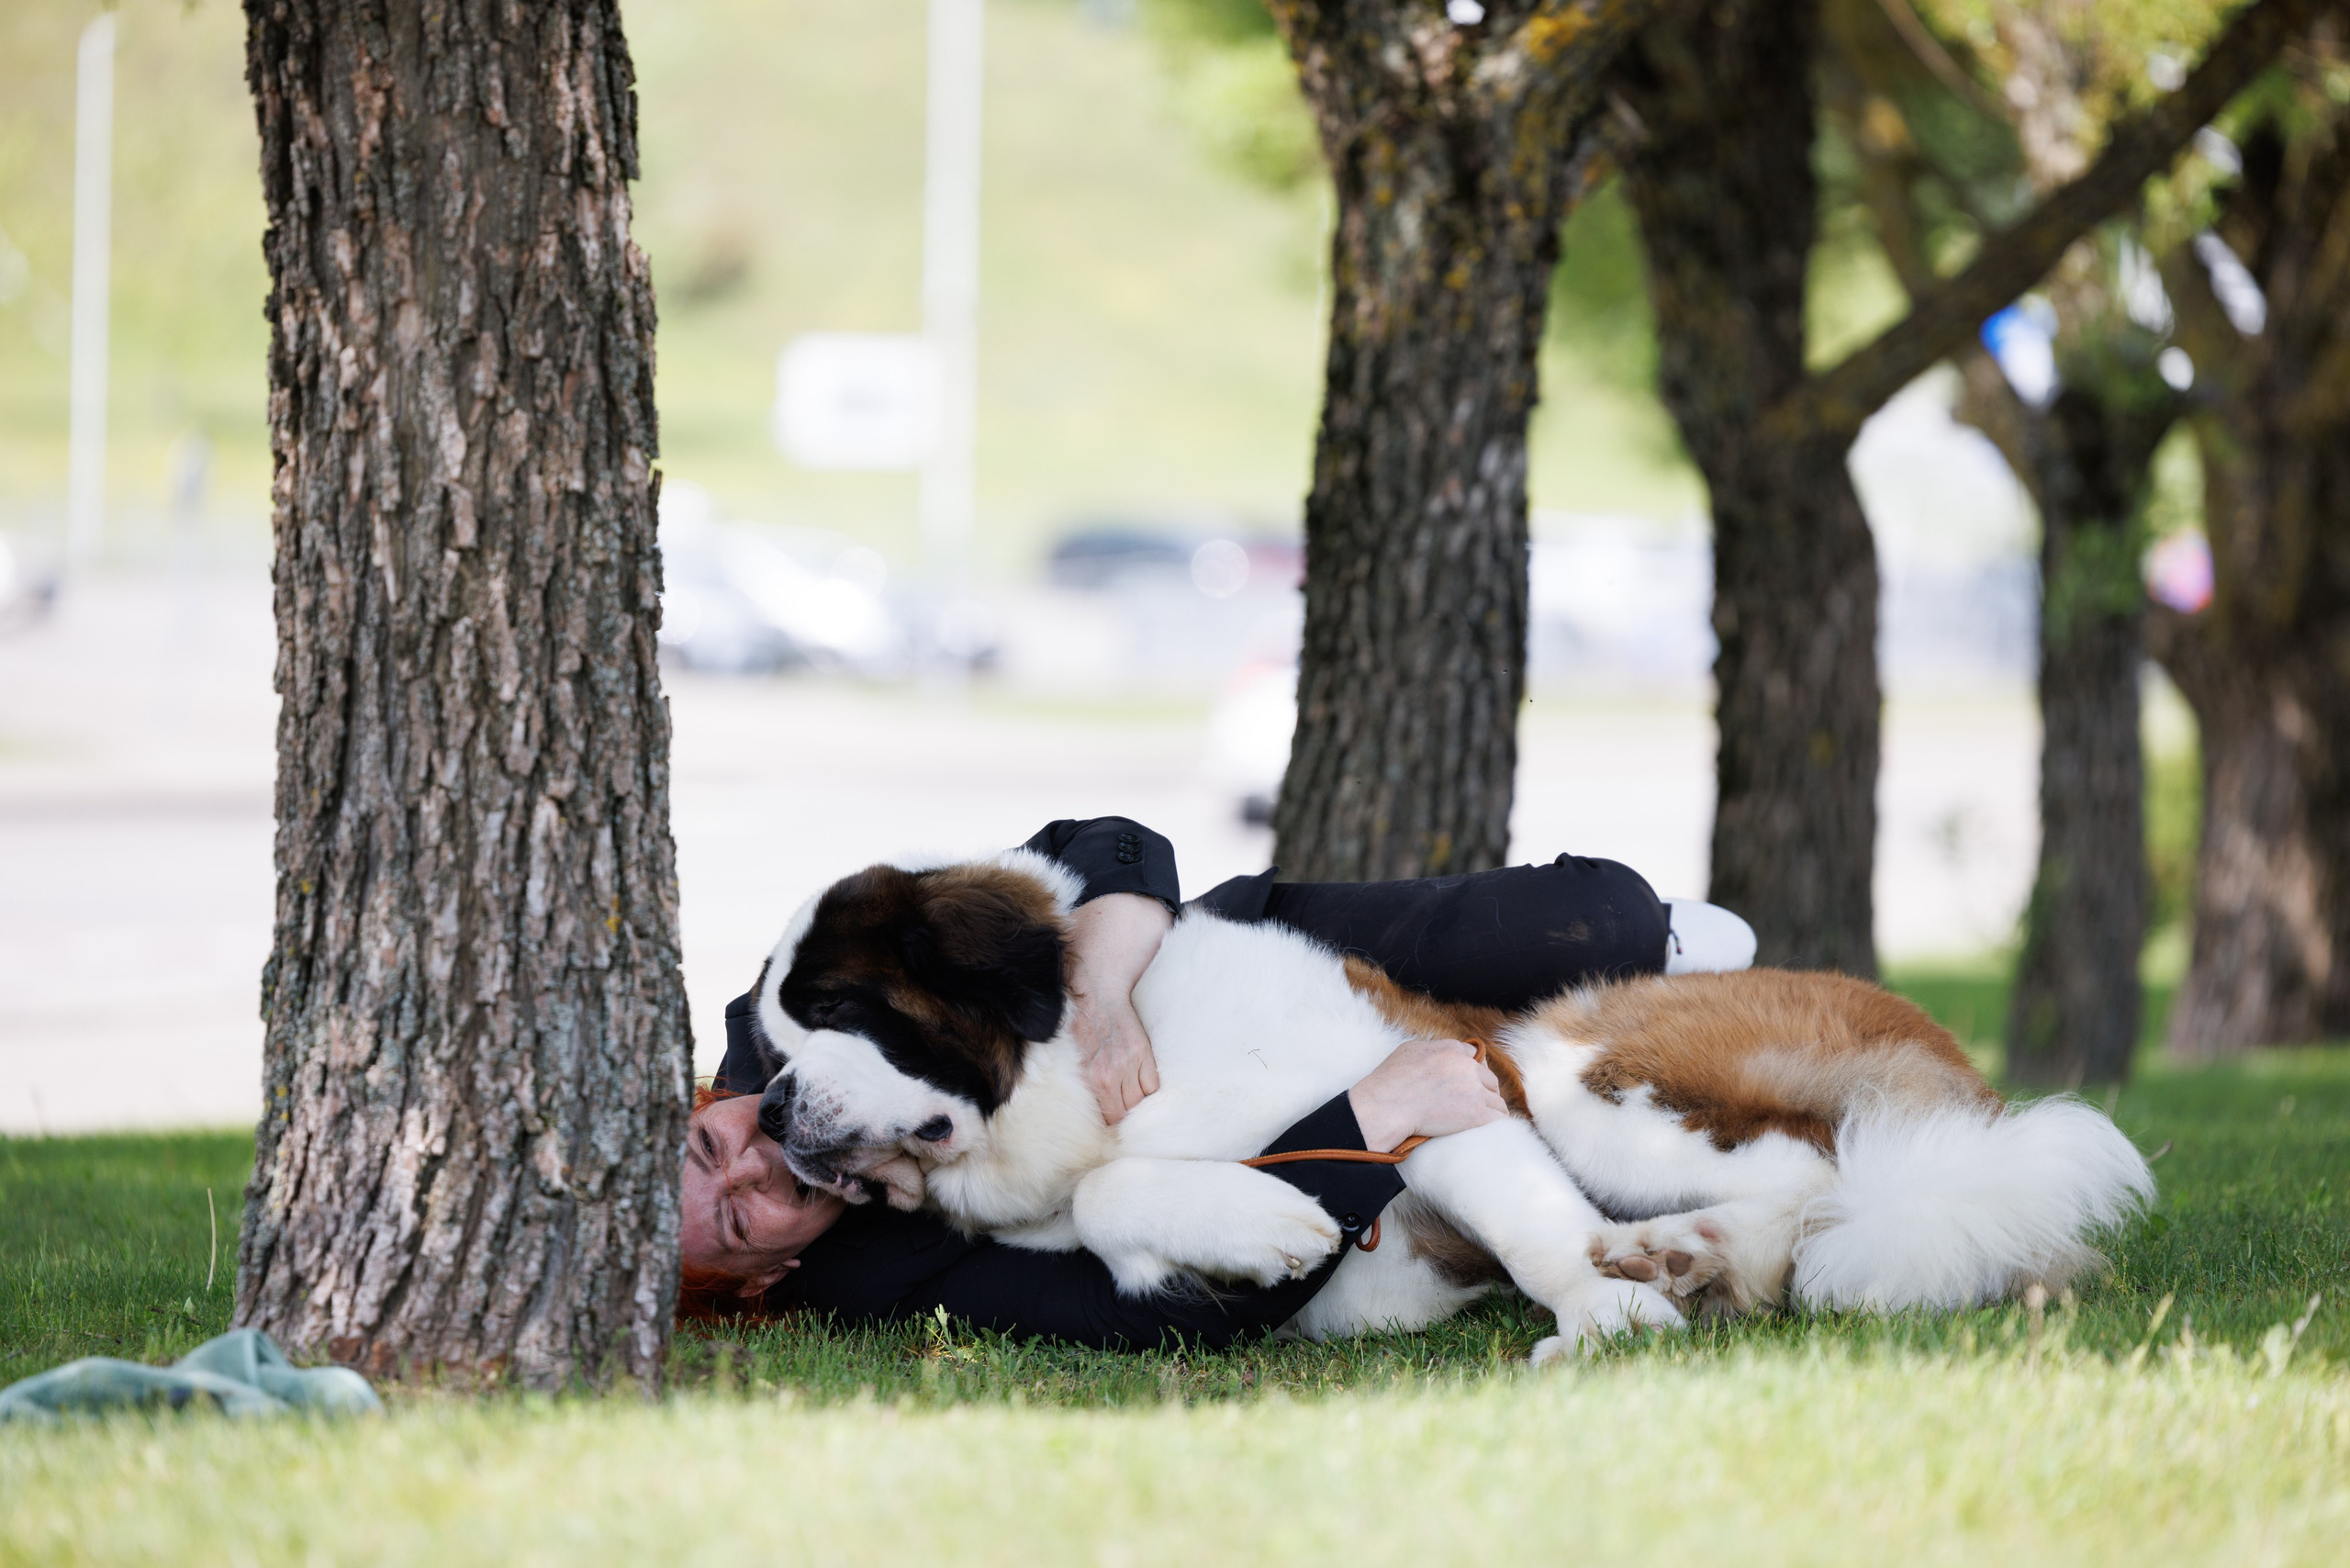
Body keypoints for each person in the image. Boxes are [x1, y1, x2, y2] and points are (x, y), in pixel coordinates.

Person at [678, 818, 1755, 1349]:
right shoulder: (870, 1277)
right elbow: (1158, 1312)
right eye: (737, 1218)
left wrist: (1099, 988)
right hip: (1220, 1125)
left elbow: (1101, 845)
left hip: (1206, 959)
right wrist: (1369, 1120)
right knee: (1542, 1119)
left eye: (706, 1145)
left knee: (1598, 918)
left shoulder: (785, 1015)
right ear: (764, 1283)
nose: (757, 1161)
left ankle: (1670, 975)